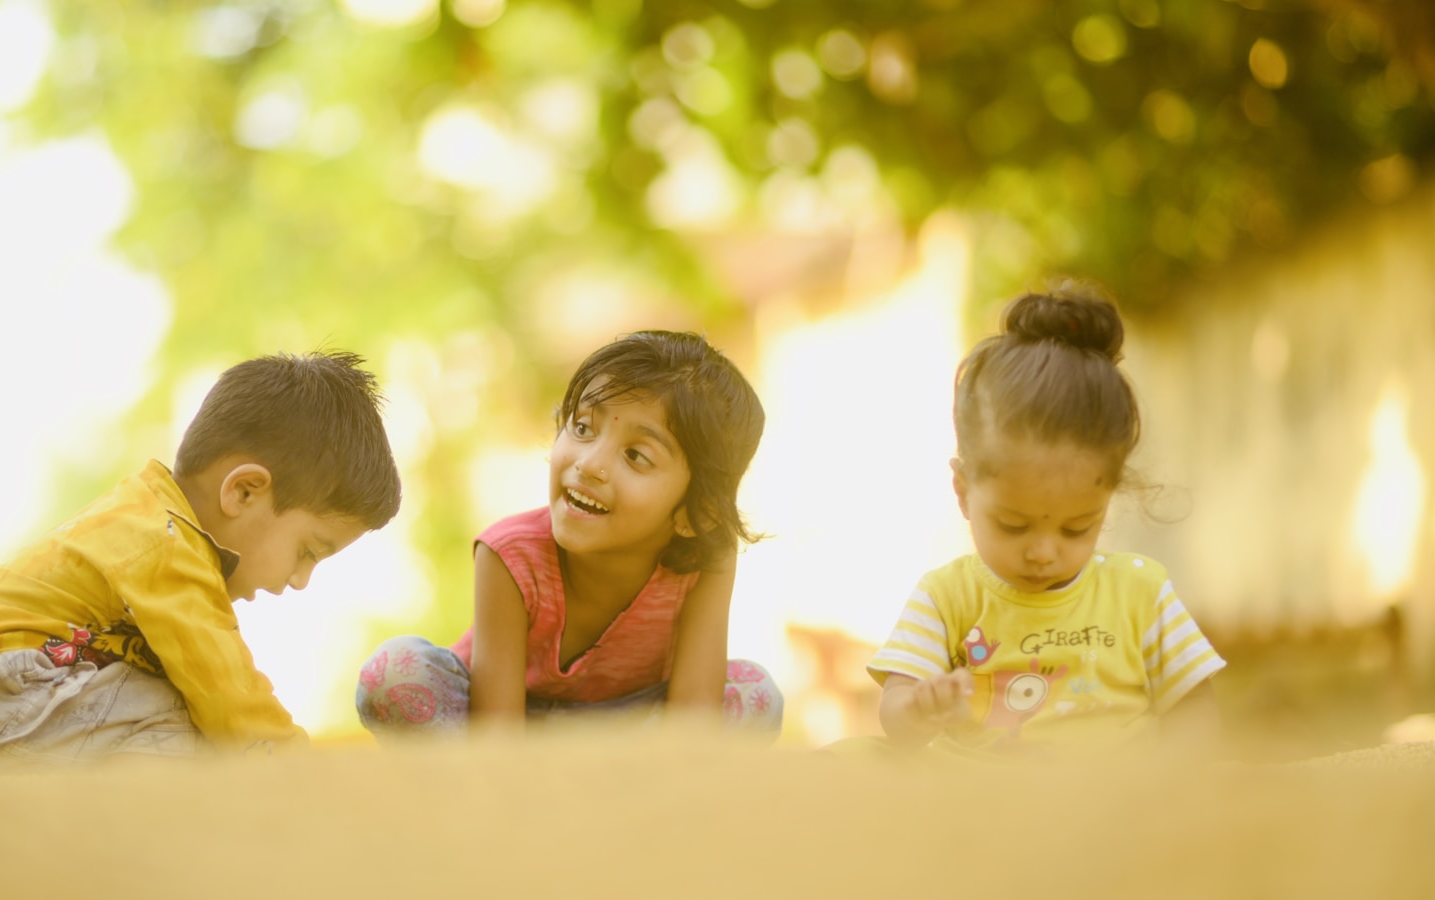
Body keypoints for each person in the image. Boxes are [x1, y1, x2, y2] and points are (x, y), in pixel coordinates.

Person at [0, 350, 402, 771]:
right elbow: (228, 692)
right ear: (244, 492)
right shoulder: (165, 541)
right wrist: (310, 775)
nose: (301, 580)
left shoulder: (147, 521)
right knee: (201, 735)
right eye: (308, 551)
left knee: (173, 709)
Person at [357, 330, 781, 739]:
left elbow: (694, 723)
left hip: (631, 733)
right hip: (511, 730)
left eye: (636, 455)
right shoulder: (509, 555)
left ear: (697, 514)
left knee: (756, 695)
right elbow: (496, 736)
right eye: (582, 428)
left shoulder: (706, 557)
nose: (590, 463)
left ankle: (620, 795)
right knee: (395, 671)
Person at [866, 283, 1225, 761]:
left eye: (1076, 527)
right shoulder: (946, 598)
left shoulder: (1142, 593)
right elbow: (896, 718)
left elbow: (1193, 704)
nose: (1043, 552)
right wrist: (917, 708)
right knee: (858, 757)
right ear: (963, 490)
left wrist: (1178, 781)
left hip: (1112, 802)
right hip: (975, 802)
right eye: (1013, 525)